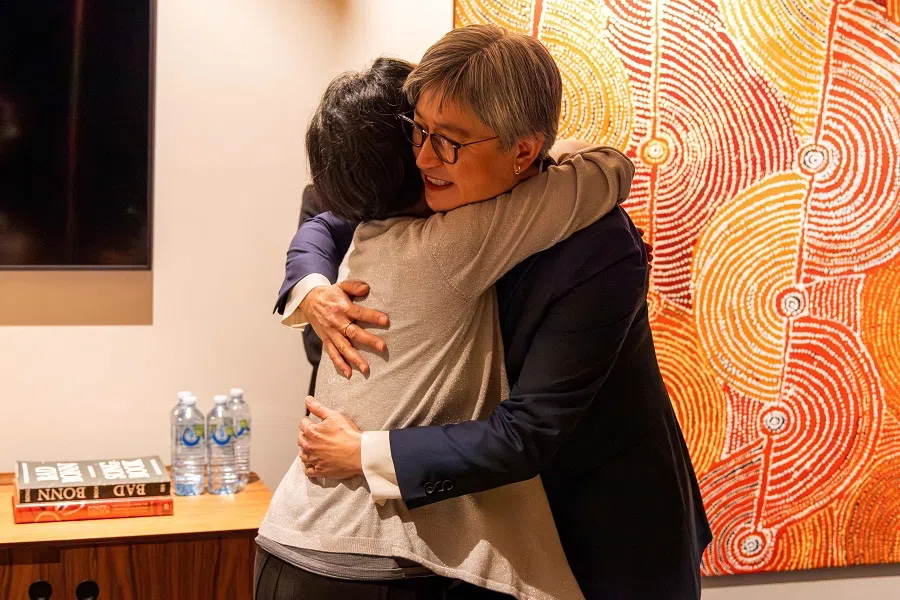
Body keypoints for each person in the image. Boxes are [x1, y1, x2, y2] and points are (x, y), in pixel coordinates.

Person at [280, 25, 712, 600]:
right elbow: (325, 213)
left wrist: (364, 453)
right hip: (471, 530)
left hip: (597, 528)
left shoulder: (597, 248)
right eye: (420, 131)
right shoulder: (423, 184)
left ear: (525, 151)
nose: (425, 157)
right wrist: (310, 289)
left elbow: (530, 431)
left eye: (449, 141)